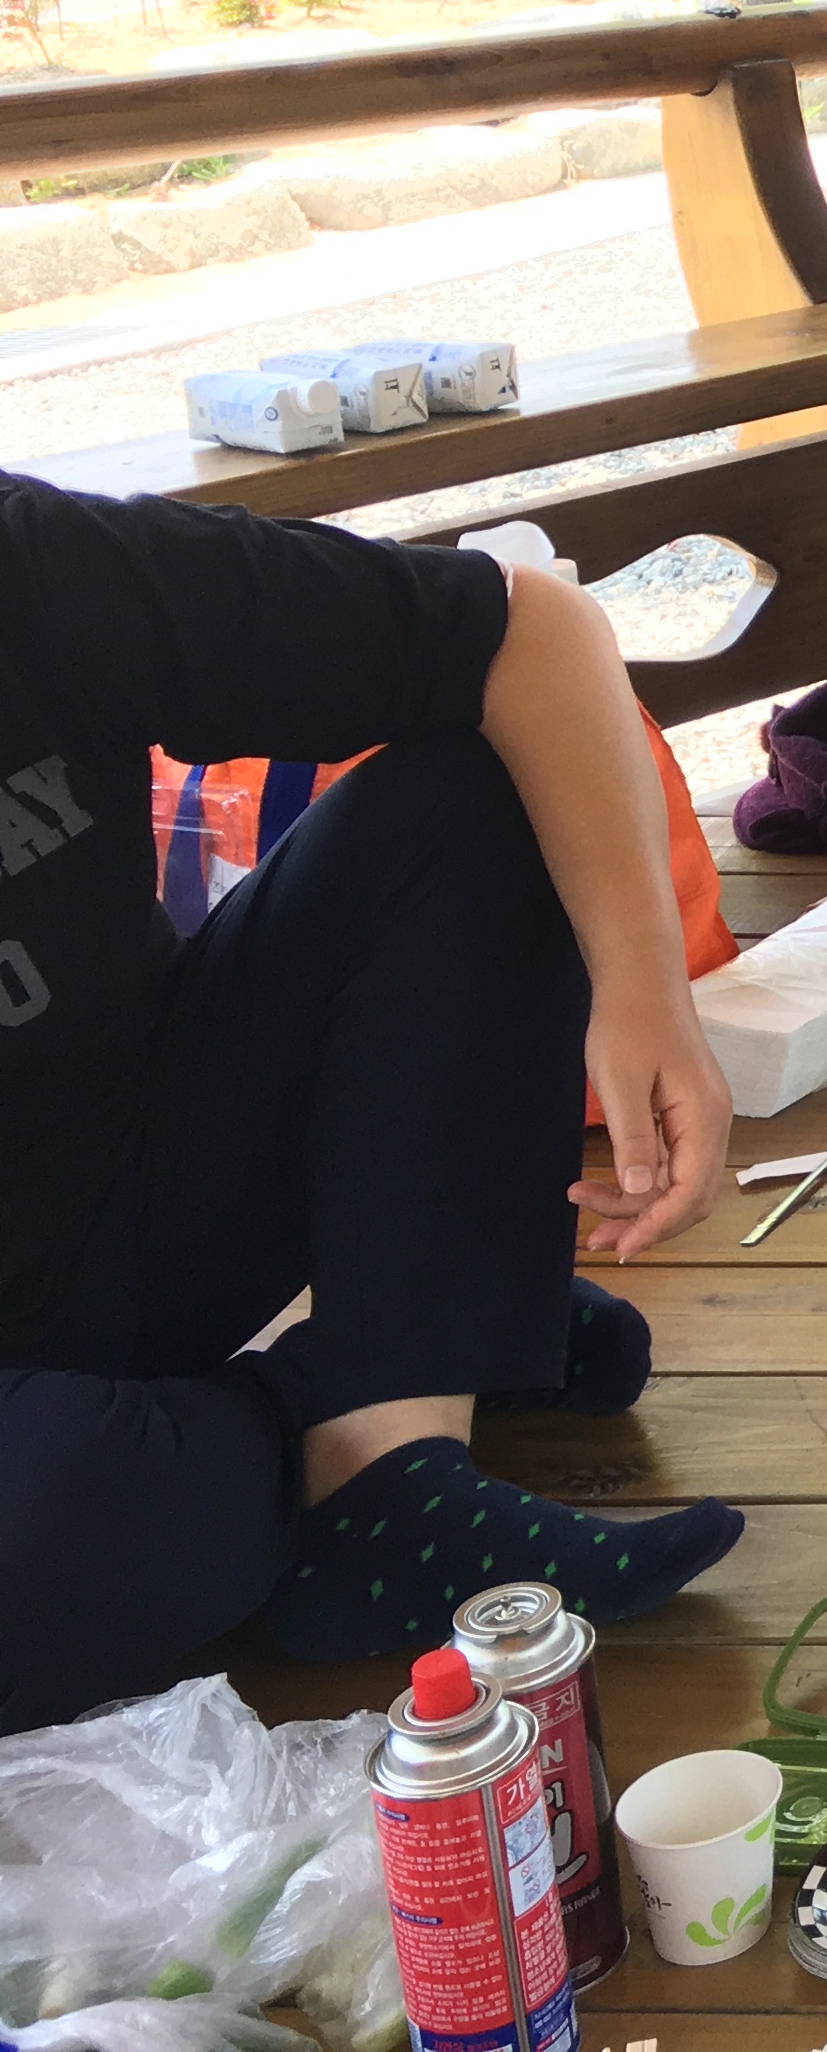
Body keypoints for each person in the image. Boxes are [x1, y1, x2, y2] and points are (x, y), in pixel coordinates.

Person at [0, 491, 740, 1732]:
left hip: (146, 1178)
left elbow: (531, 636)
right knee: (74, 1529)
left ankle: (391, 1457)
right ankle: (378, 1363)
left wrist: (646, 991)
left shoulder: (36, 567)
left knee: (487, 777)